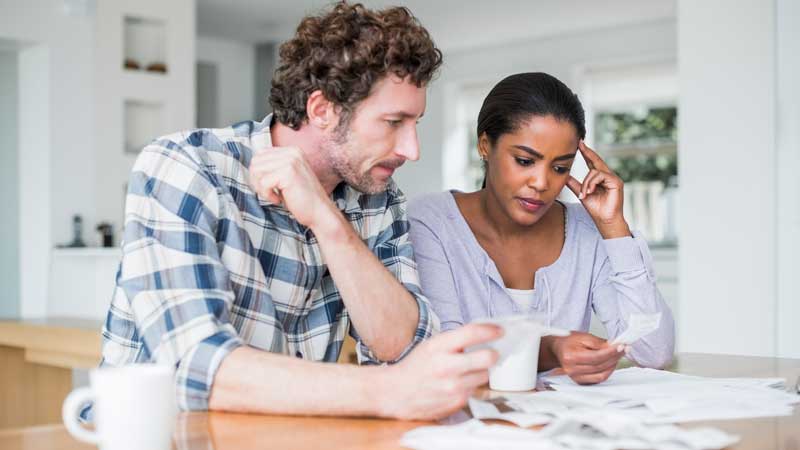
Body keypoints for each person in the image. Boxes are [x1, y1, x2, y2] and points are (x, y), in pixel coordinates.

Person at [98, 2, 500, 421]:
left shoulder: (377, 198)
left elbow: (404, 349)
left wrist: (328, 221)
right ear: (322, 110)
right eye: (393, 122)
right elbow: (196, 366)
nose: (411, 149)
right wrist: (388, 392)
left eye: (415, 123)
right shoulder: (186, 165)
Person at [408, 72, 674, 385]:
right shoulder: (433, 221)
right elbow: (443, 354)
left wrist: (613, 226)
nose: (542, 183)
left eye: (560, 167)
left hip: (563, 416)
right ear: (485, 145)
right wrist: (549, 349)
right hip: (465, 414)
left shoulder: (586, 231)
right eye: (524, 161)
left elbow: (653, 352)